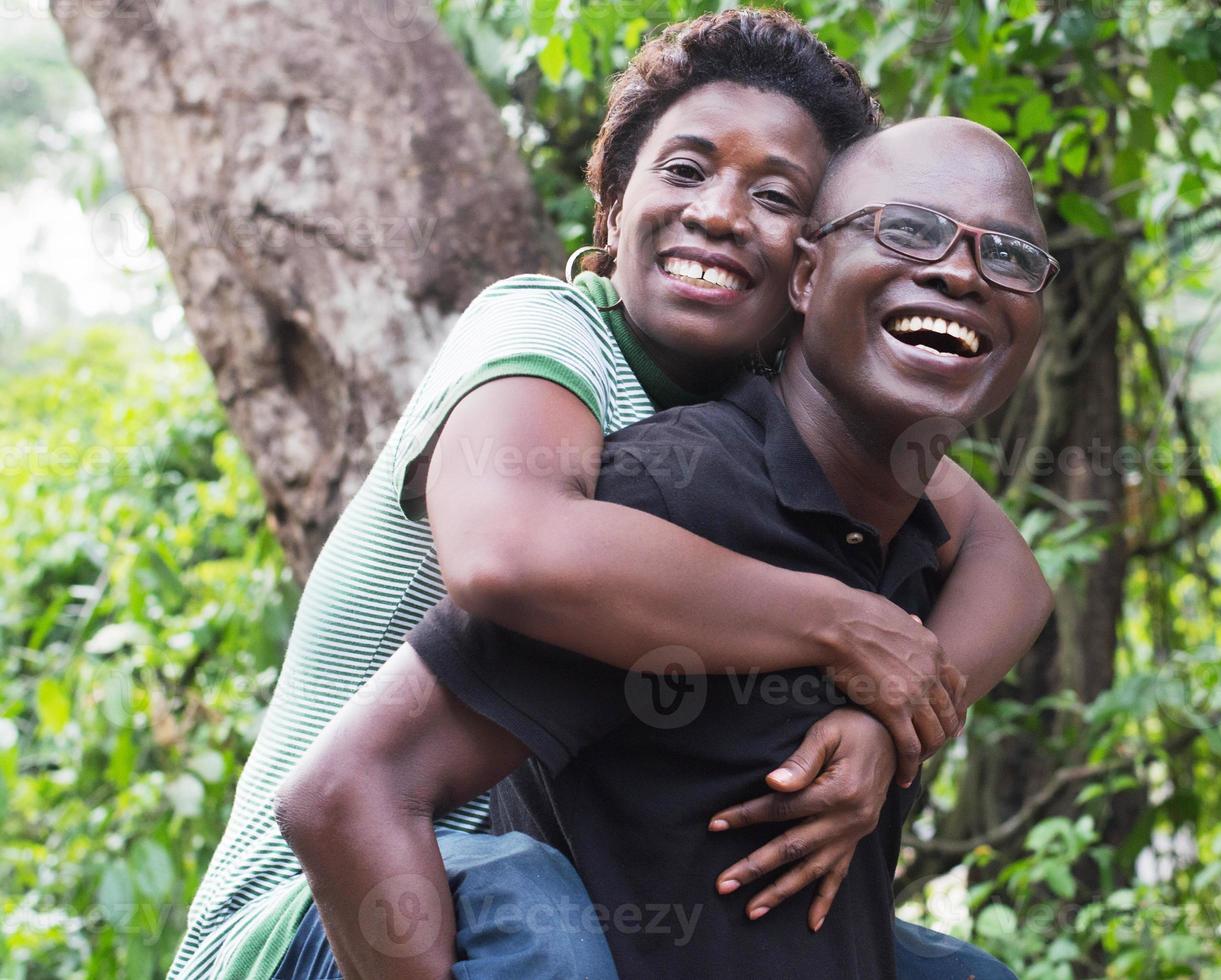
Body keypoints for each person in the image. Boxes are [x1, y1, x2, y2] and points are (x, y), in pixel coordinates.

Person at [167, 11, 1049, 980]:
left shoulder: (774, 422)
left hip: (563, 879)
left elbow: (1003, 565)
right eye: (683, 170)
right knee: (524, 902)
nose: (718, 212)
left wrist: (892, 718)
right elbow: (508, 551)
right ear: (613, 204)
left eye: (775, 193)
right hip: (329, 901)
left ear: (812, 256)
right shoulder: (547, 333)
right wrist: (847, 625)